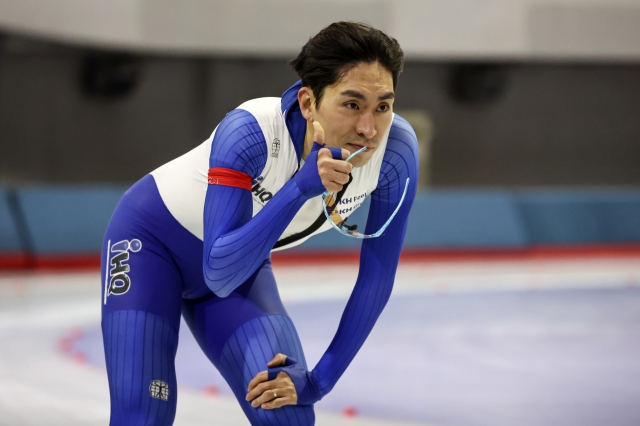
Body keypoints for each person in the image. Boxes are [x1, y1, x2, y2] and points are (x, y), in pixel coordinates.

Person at [101, 21, 418, 426]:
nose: (368, 129)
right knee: (142, 415)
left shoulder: (396, 155)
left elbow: (377, 279)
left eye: (383, 107)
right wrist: (299, 188)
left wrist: (319, 382)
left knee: (286, 414)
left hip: (242, 260)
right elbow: (218, 273)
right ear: (308, 103)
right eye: (352, 104)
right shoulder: (250, 133)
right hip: (150, 245)